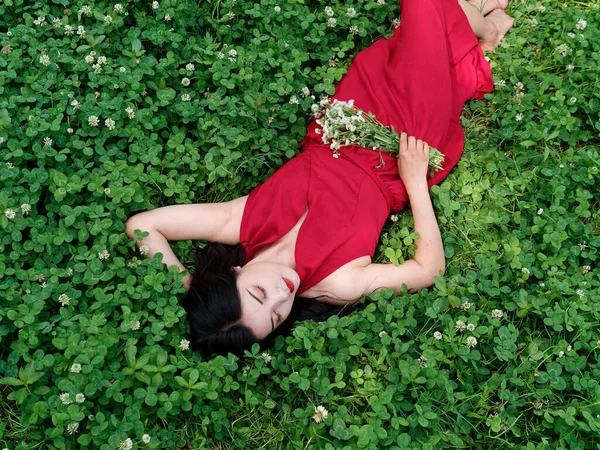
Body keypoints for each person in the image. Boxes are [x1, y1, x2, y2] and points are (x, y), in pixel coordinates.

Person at [125, 0, 514, 355]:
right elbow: (428, 271)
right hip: (404, 143)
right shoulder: (337, 283)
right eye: (278, 316)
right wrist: (414, 183)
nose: (283, 294)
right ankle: (481, 26)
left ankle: (479, 24)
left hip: (353, 114)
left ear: (233, 272)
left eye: (260, 294)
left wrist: (189, 288)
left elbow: (143, 225)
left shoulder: (240, 222)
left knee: (419, 42)